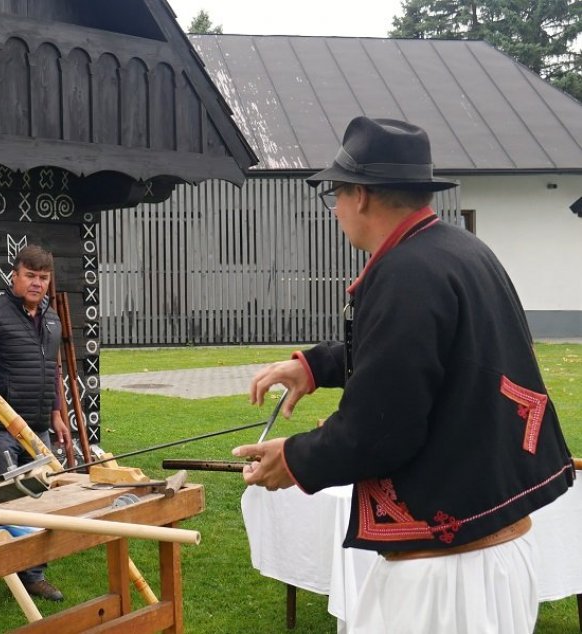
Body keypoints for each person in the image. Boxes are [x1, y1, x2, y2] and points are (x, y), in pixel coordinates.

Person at [234, 116, 574, 633]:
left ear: (362, 194)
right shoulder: (460, 250)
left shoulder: (407, 272)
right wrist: (314, 365)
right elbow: (423, 353)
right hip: (490, 550)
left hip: (447, 579)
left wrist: (295, 459)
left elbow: (381, 432)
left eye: (337, 193)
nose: (336, 209)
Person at [0, 244, 70, 602]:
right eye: (30, 276)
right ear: (15, 276)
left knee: (38, 501)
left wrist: (56, 412)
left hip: (36, 427)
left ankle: (32, 575)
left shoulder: (51, 317)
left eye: (43, 277)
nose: (37, 283)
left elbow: (51, 369)